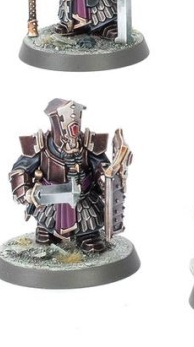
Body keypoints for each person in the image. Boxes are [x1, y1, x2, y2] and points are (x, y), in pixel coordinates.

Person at [9, 99, 116, 252]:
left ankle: (87, 235)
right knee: (46, 233)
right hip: (49, 199)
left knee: (89, 229)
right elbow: (20, 169)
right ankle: (47, 230)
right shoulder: (40, 145)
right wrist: (25, 192)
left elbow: (102, 166)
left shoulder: (88, 143)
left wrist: (105, 179)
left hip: (83, 198)